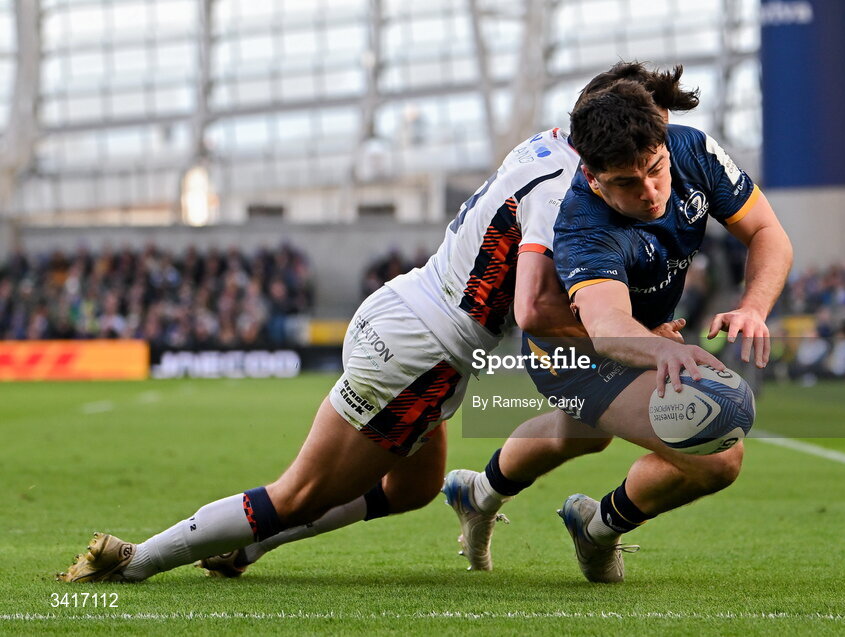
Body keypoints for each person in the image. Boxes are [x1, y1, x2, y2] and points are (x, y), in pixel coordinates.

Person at [57, 63, 687, 583]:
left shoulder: (549, 141)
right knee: (299, 494)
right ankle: (136, 560)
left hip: (414, 317)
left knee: (416, 485)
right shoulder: (558, 198)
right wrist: (629, 337)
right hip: (421, 354)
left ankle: (245, 548)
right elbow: (533, 311)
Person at [444, 73, 792, 583]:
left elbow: (768, 231)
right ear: (592, 176)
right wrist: (658, 347)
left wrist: (754, 307)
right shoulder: (580, 221)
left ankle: (478, 494)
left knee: (579, 435)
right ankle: (599, 527)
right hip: (569, 347)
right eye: (627, 183)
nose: (650, 192)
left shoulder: (693, 149)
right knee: (718, 448)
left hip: (642, 332)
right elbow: (606, 328)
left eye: (655, 170)